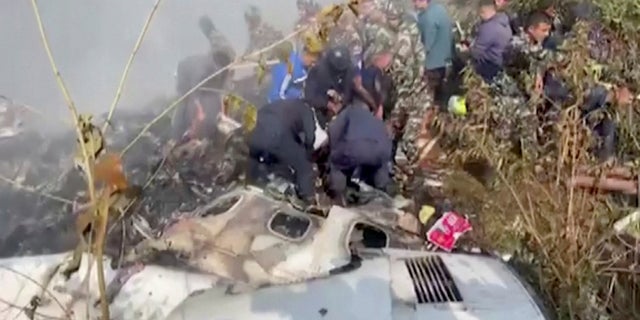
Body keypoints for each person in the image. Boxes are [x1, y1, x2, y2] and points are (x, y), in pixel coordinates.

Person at [172, 17, 235, 141]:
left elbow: (223, 93)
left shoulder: (225, 57)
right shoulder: (202, 70)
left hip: (209, 68)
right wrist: (199, 115)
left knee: (211, 98)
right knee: (185, 103)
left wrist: (224, 115)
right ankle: (177, 135)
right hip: (185, 74)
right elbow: (193, 95)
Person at [248, 98, 316, 207]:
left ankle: (251, 183)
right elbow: (310, 137)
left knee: (260, 158)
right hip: (277, 136)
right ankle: (308, 201)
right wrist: (307, 152)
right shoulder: (306, 110)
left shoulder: (279, 103)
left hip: (254, 134)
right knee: (304, 166)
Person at [327, 100, 393, 205]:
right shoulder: (376, 120)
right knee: (379, 165)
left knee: (336, 163)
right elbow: (387, 139)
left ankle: (339, 198)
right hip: (382, 150)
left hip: (356, 147)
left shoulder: (350, 111)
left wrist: (334, 150)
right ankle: (383, 195)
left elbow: (333, 130)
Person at [304, 45, 378, 128]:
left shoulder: (349, 67)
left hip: (342, 104)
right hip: (321, 106)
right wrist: (327, 104)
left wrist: (341, 103)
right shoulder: (318, 70)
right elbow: (309, 96)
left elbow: (348, 89)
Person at [463, 0, 512, 83]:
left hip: (488, 66)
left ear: (484, 11)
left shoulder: (489, 27)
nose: (480, 16)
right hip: (500, 64)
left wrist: (466, 50)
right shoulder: (504, 22)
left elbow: (476, 53)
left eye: (481, 13)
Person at [415, 0, 453, 103]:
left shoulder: (428, 18)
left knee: (429, 97)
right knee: (440, 94)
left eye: (415, 1)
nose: (413, 3)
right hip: (443, 61)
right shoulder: (439, 9)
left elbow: (426, 45)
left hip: (432, 64)